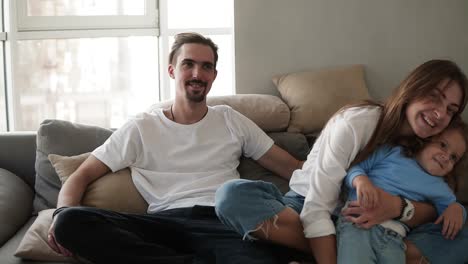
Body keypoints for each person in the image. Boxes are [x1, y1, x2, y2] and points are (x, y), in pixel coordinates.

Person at [46, 32, 304, 264]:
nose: (197, 74)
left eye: (206, 67)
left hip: (222, 224)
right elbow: (81, 175)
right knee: (70, 222)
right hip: (163, 225)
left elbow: (292, 168)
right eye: (188, 64)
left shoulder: (230, 119)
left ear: (214, 75)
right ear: (172, 71)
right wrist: (59, 215)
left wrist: (343, 178)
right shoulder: (141, 127)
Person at [215, 59, 468, 264]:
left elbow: (435, 207)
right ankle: (357, 251)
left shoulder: (434, 146)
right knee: (232, 196)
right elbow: (316, 209)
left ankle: (350, 249)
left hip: (382, 225)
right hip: (308, 206)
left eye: (451, 109)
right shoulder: (357, 123)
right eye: (435, 97)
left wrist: (398, 207)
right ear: (413, 88)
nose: (439, 114)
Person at [337, 120, 467, 263]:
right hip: (357, 223)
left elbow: (451, 212)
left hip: (393, 239)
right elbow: (355, 168)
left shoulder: (442, 189)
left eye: (454, 157)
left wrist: (457, 208)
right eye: (443, 145)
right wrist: (361, 180)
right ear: (426, 139)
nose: (446, 157)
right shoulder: (392, 152)